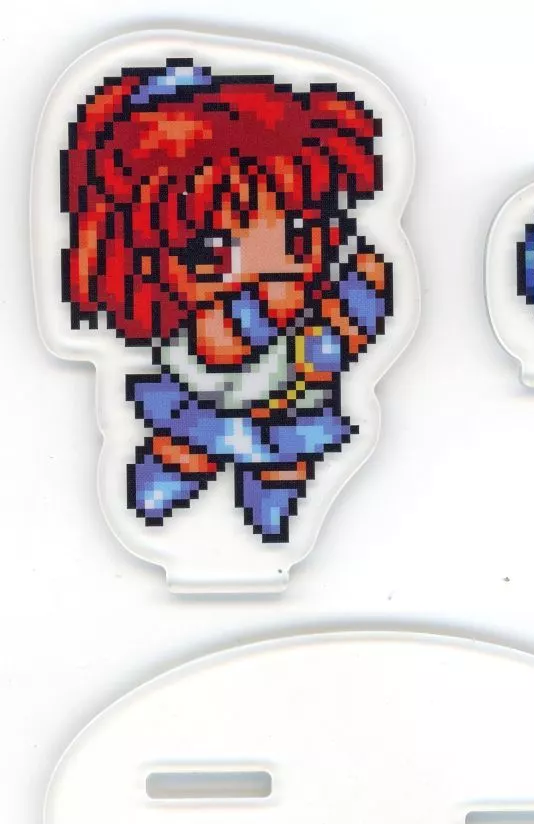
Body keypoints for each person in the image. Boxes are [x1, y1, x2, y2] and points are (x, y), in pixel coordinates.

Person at [62, 61, 392, 541]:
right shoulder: (223, 319)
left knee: (283, 468)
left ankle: (274, 502)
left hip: (289, 407)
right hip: (205, 401)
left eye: (301, 232)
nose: (279, 263)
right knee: (187, 445)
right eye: (212, 251)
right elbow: (219, 352)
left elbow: (346, 333)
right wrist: (269, 313)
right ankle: (182, 472)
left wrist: (353, 307)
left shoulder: (323, 293)